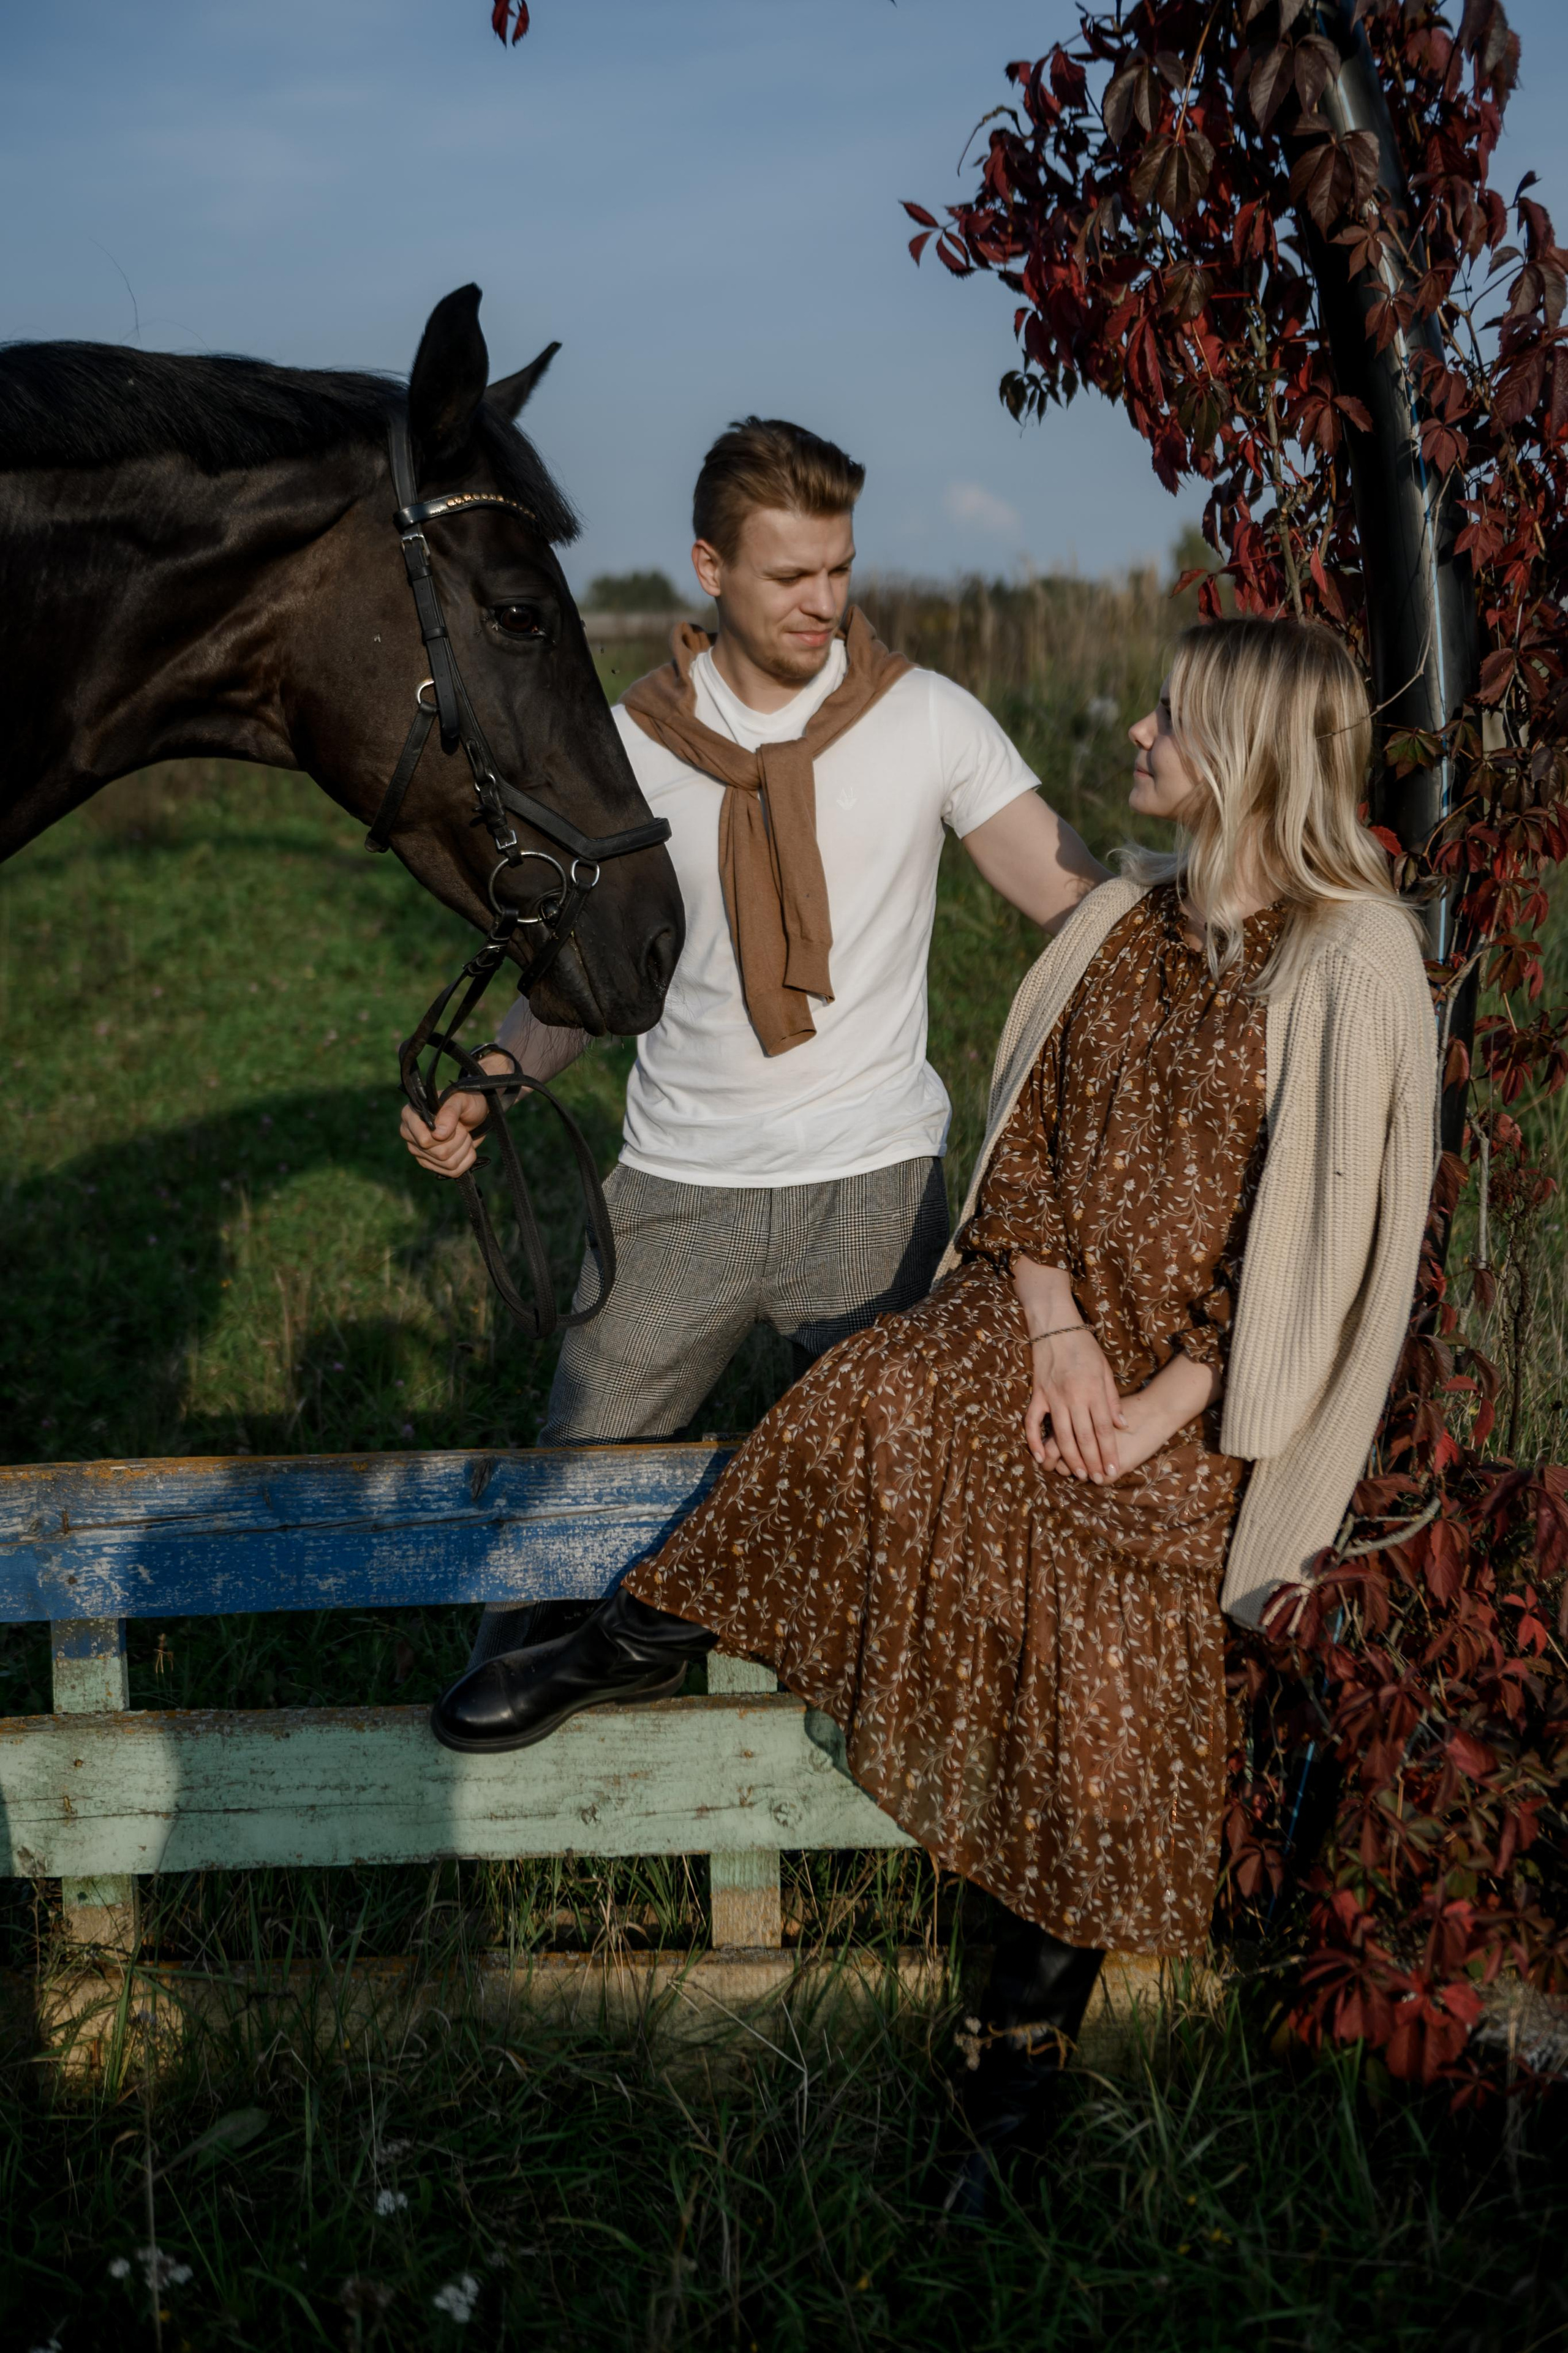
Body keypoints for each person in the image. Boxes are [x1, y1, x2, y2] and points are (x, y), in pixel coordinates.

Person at [429, 616, 1438, 2210]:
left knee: (1107, 1646)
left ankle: (1009, 2080)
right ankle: (627, 1635)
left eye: (1169, 719)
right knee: (883, 1391)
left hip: (1206, 1398)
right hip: (1039, 1325)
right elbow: (1026, 1146)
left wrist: (1156, 1405)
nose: (1137, 737)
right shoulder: (1130, 926)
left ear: (1244, 755)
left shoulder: (1350, 959)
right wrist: (1046, 1333)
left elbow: (1322, 1247)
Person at [404, 416, 1103, 1665]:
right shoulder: (624, 746)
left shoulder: (926, 717)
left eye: (838, 570)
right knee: (560, 1518)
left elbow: (1073, 903)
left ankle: (855, 1766)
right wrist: (490, 1083)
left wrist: (1228, 909)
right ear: (708, 569)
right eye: (790, 576)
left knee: (913, 1517)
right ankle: (527, 1790)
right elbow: (583, 973)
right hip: (678, 1184)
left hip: (876, 1186)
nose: (823, 603)